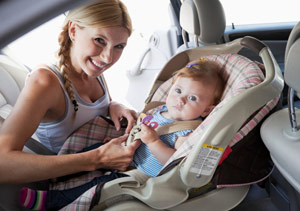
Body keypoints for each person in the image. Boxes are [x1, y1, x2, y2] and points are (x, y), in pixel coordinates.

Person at [19, 58, 226, 210]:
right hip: (128, 149)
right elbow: (142, 127)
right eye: (178, 91)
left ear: (207, 110)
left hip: (140, 170)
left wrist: (153, 141)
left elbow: (173, 162)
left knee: (99, 186)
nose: (180, 100)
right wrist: (126, 140)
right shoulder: (161, 110)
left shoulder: (188, 130)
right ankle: (56, 173)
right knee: (93, 150)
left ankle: (51, 201)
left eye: (193, 98)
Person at [0, 0, 140, 186]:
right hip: (70, 183)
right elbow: (3, 165)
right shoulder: (45, 81)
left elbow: (92, 111)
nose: (108, 58)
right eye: (99, 40)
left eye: (119, 46)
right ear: (73, 31)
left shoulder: (92, 70)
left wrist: (114, 106)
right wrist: (97, 158)